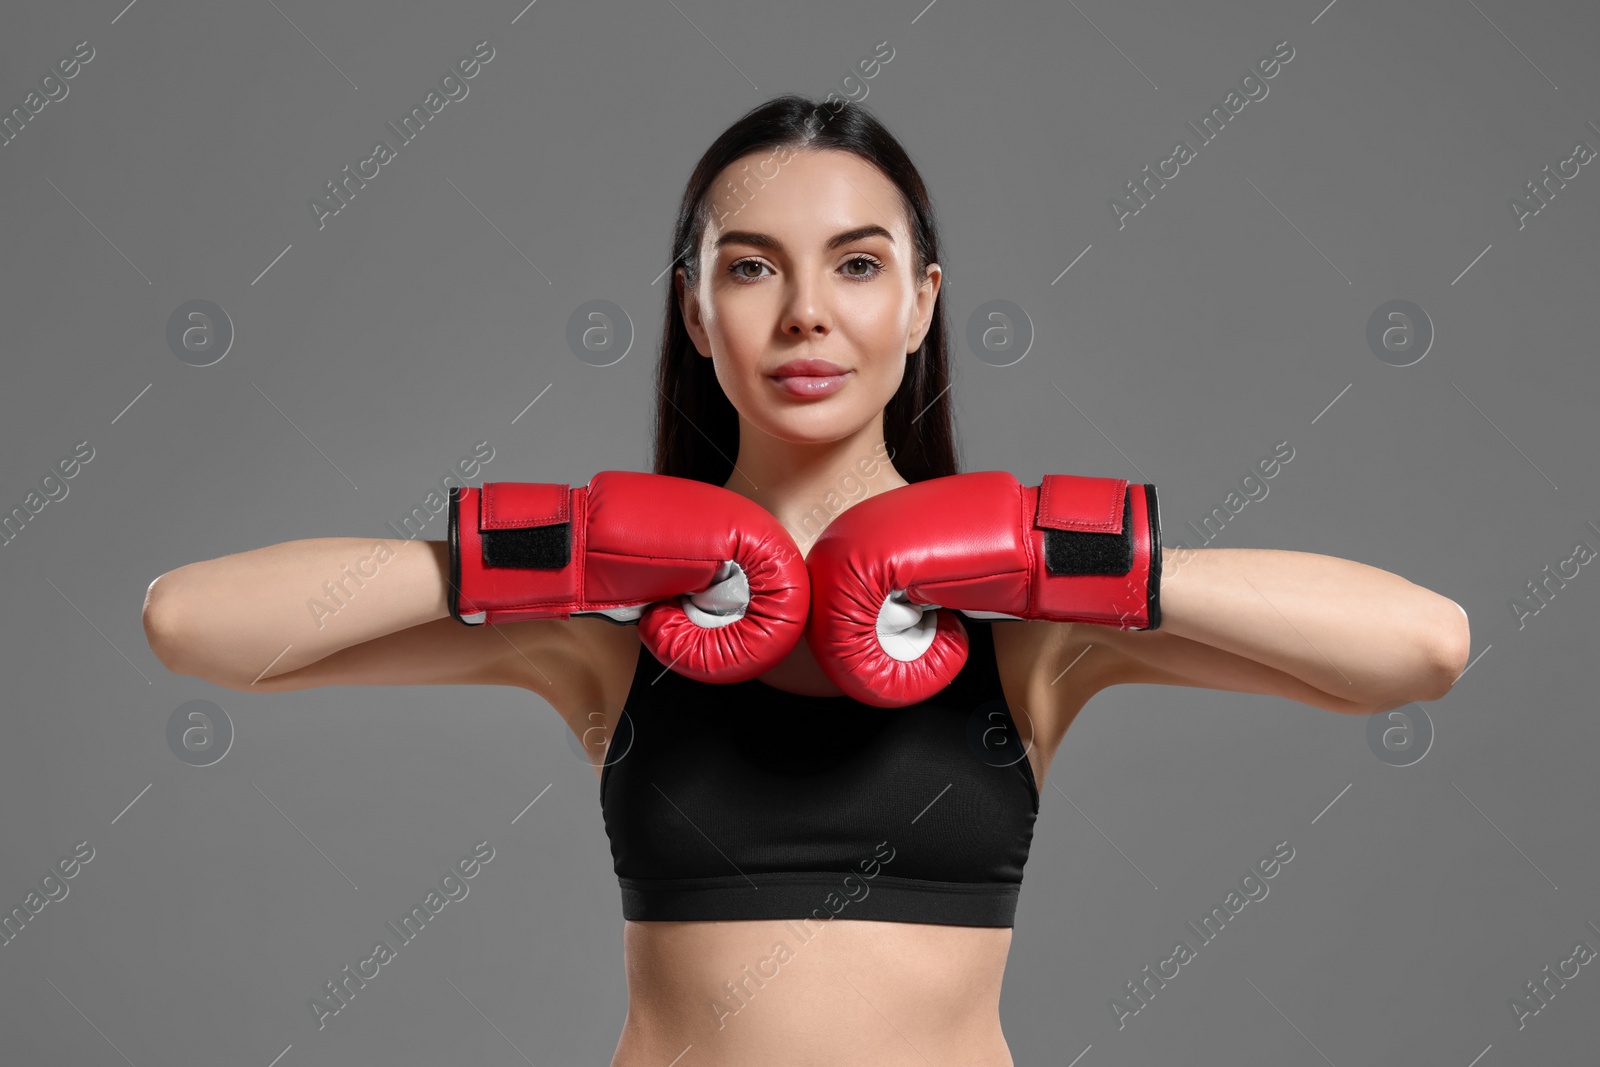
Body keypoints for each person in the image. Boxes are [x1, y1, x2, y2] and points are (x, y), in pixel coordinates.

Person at [141, 95, 1471, 1065]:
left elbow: (1422, 648)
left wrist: (1068, 556)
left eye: (856, 263)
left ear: (923, 301)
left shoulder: (1031, 628)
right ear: (693, 310)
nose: (806, 315)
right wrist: (564, 547)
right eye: (750, 266)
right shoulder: (609, 633)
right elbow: (192, 624)